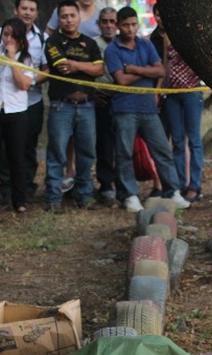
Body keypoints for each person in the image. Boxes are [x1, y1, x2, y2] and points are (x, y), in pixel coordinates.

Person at [104, 6, 190, 212]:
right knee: (125, 153)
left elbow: (161, 69)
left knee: (162, 149)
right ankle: (129, 194)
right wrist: (147, 72)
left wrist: (134, 69)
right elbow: (121, 80)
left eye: (134, 24)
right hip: (124, 108)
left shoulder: (145, 44)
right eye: (125, 25)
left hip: (148, 108)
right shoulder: (112, 50)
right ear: (118, 26)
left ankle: (172, 191)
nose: (130, 29)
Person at [43, 0, 104, 212]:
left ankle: (84, 195)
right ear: (58, 20)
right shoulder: (52, 41)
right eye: (64, 16)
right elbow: (61, 67)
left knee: (86, 153)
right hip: (62, 105)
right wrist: (86, 67)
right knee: (57, 153)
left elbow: (99, 69)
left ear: (79, 18)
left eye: (72, 15)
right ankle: (53, 198)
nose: (68, 20)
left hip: (87, 106)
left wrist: (77, 65)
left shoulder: (91, 42)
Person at [0, 0, 49, 201]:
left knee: (26, 147)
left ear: (37, 13)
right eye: (24, 8)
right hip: (0, 103)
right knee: (0, 150)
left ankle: (25, 189)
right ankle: (5, 188)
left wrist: (30, 80)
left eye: (32, 9)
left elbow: (46, 70)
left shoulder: (42, 37)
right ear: (16, 10)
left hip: (30, 102)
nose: (28, 13)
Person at [0, 18, 34, 213]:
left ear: (20, 39)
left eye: (13, 36)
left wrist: (13, 59)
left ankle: (20, 200)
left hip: (17, 112)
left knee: (16, 156)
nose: (8, 39)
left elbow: (23, 84)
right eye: (5, 34)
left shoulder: (26, 58)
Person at [162, 26, 204, 202]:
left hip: (192, 91)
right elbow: (166, 64)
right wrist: (163, 88)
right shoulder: (166, 36)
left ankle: (195, 184)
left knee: (194, 139)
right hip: (173, 93)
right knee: (178, 140)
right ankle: (180, 183)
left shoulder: (194, 34)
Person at [93, 7, 118, 206]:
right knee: (104, 144)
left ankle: (124, 184)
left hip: (122, 99)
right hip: (100, 99)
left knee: (123, 145)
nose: (109, 25)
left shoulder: (124, 42)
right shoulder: (93, 44)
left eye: (112, 21)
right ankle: (106, 185)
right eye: (105, 21)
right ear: (99, 24)